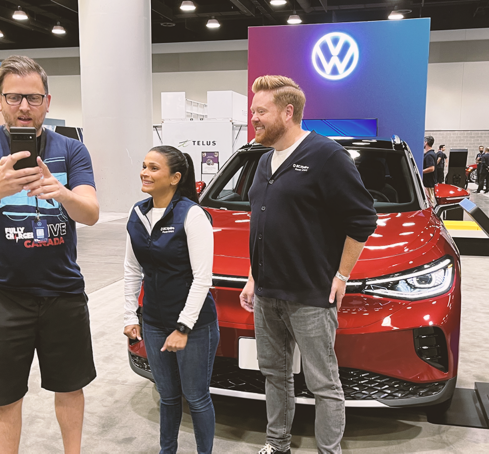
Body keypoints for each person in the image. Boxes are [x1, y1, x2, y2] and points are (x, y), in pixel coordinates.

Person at [0, 56, 99, 454]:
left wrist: (61, 191)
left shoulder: (71, 150)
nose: (23, 108)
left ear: (47, 101)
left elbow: (91, 213)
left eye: (32, 98)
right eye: (14, 97)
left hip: (63, 292)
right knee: (5, 395)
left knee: (70, 387)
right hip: (1, 295)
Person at [240, 75, 377, 454]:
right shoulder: (265, 160)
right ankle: (277, 444)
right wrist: (254, 275)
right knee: (275, 375)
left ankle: (327, 451)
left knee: (323, 383)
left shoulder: (326, 155)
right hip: (268, 295)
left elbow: (363, 220)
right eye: (253, 111)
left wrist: (342, 275)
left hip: (311, 296)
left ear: (288, 112)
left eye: (260, 111)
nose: (254, 118)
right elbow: (264, 223)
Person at [123, 146, 218, 454]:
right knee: (167, 396)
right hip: (152, 320)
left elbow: (203, 278)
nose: (144, 173)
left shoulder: (192, 214)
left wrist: (183, 327)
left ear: (175, 178)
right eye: (144, 166)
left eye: (153, 168)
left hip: (194, 325)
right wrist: (129, 316)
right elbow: (131, 270)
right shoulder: (137, 214)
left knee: (196, 396)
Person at [423, 136, 437, 203]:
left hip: (429, 183)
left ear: (426, 142)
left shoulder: (429, 155)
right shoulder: (431, 154)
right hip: (429, 182)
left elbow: (432, 168)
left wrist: (421, 171)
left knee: (430, 201)